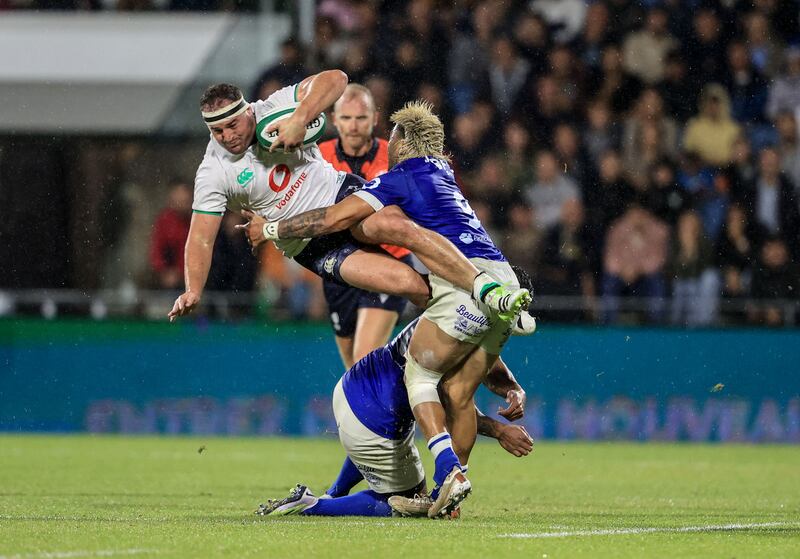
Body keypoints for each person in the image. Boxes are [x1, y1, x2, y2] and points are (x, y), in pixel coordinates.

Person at [239, 101, 533, 517]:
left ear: (404, 140)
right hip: (502, 275)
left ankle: (449, 471)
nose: (387, 142)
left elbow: (334, 218)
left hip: (461, 284)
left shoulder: (400, 178)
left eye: (392, 136)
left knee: (421, 374)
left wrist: (271, 228)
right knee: (459, 393)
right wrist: (510, 396)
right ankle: (450, 494)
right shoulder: (444, 173)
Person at [167, 71, 528, 326]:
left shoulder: (273, 107)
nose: (227, 136)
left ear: (248, 111)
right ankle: (482, 337)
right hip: (309, 244)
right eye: (216, 130)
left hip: (339, 196)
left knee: (395, 226)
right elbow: (201, 235)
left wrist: (299, 119)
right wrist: (192, 290)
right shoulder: (212, 171)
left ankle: (486, 287)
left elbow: (336, 79)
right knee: (408, 284)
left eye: (232, 125)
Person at [255, 315, 533, 518]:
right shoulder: (460, 338)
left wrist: (514, 389)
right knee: (410, 501)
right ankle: (314, 506)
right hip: (371, 417)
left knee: (386, 447)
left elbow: (489, 364)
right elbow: (454, 402)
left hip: (355, 389)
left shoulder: (458, 311)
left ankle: (334, 492)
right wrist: (498, 430)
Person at [317, 83, 409, 369]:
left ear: (374, 119)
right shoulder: (317, 157)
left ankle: (407, 407)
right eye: (346, 118)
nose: (353, 126)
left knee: (363, 360)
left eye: (361, 118)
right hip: (338, 268)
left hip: (387, 261)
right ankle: (399, 406)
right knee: (353, 373)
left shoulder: (396, 156)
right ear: (334, 119)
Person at [149, 180, 193, 290]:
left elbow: (192, 249)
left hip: (189, 277)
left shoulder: (194, 221)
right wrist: (163, 271)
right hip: (163, 279)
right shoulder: (164, 220)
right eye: (178, 195)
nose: (182, 200)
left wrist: (179, 272)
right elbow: (156, 249)